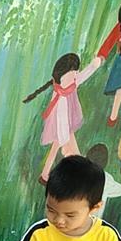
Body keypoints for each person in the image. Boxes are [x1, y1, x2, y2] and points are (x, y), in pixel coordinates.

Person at [23, 53, 98, 185]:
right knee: (64, 146)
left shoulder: (70, 85)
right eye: (73, 72)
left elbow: (83, 76)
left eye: (76, 71)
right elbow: (62, 121)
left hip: (66, 123)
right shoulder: (61, 95)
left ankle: (45, 175)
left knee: (56, 147)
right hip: (61, 124)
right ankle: (76, 171)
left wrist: (94, 65)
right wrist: (65, 140)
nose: (76, 75)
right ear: (63, 76)